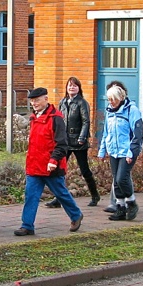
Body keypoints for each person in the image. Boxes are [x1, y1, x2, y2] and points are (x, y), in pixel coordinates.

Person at [14, 87, 84, 236]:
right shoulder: (34, 117)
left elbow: (62, 144)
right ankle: (27, 225)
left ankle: (76, 215)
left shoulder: (56, 118)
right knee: (30, 195)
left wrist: (53, 160)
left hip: (51, 166)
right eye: (32, 101)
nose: (34, 103)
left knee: (61, 193)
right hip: (34, 165)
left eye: (37, 100)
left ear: (46, 99)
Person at [44, 77, 100, 208]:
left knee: (85, 170)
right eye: (70, 85)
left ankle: (95, 195)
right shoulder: (63, 102)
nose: (72, 88)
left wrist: (82, 137)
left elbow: (86, 121)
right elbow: (58, 120)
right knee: (59, 169)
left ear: (79, 88)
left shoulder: (82, 103)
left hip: (78, 142)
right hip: (65, 141)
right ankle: (58, 198)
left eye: (75, 86)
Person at [98, 85, 143, 221]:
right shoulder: (109, 112)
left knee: (121, 178)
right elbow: (106, 132)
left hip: (127, 151)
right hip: (113, 150)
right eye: (109, 99)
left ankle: (131, 202)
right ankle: (120, 207)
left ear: (121, 98)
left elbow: (137, 133)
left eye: (113, 99)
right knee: (116, 180)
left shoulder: (132, 110)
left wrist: (132, 152)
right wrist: (102, 150)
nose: (111, 102)